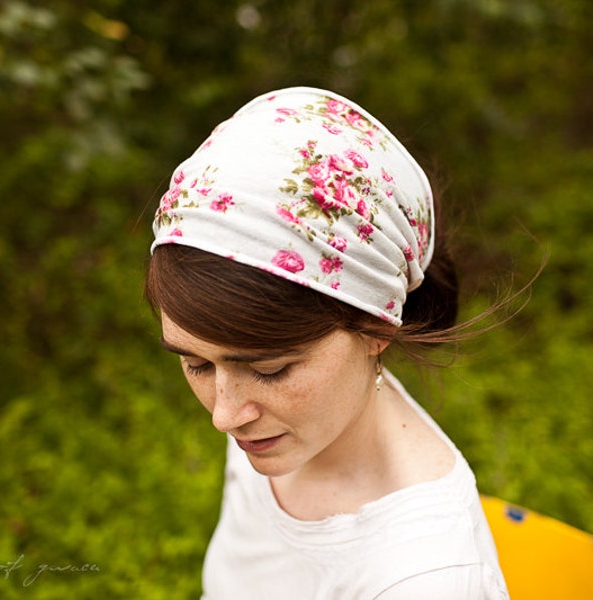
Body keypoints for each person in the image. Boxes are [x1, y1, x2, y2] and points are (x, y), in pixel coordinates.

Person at [145, 87, 509, 599]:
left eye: (270, 369)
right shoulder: (280, 427)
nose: (224, 417)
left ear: (377, 328)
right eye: (197, 365)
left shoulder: (424, 578)